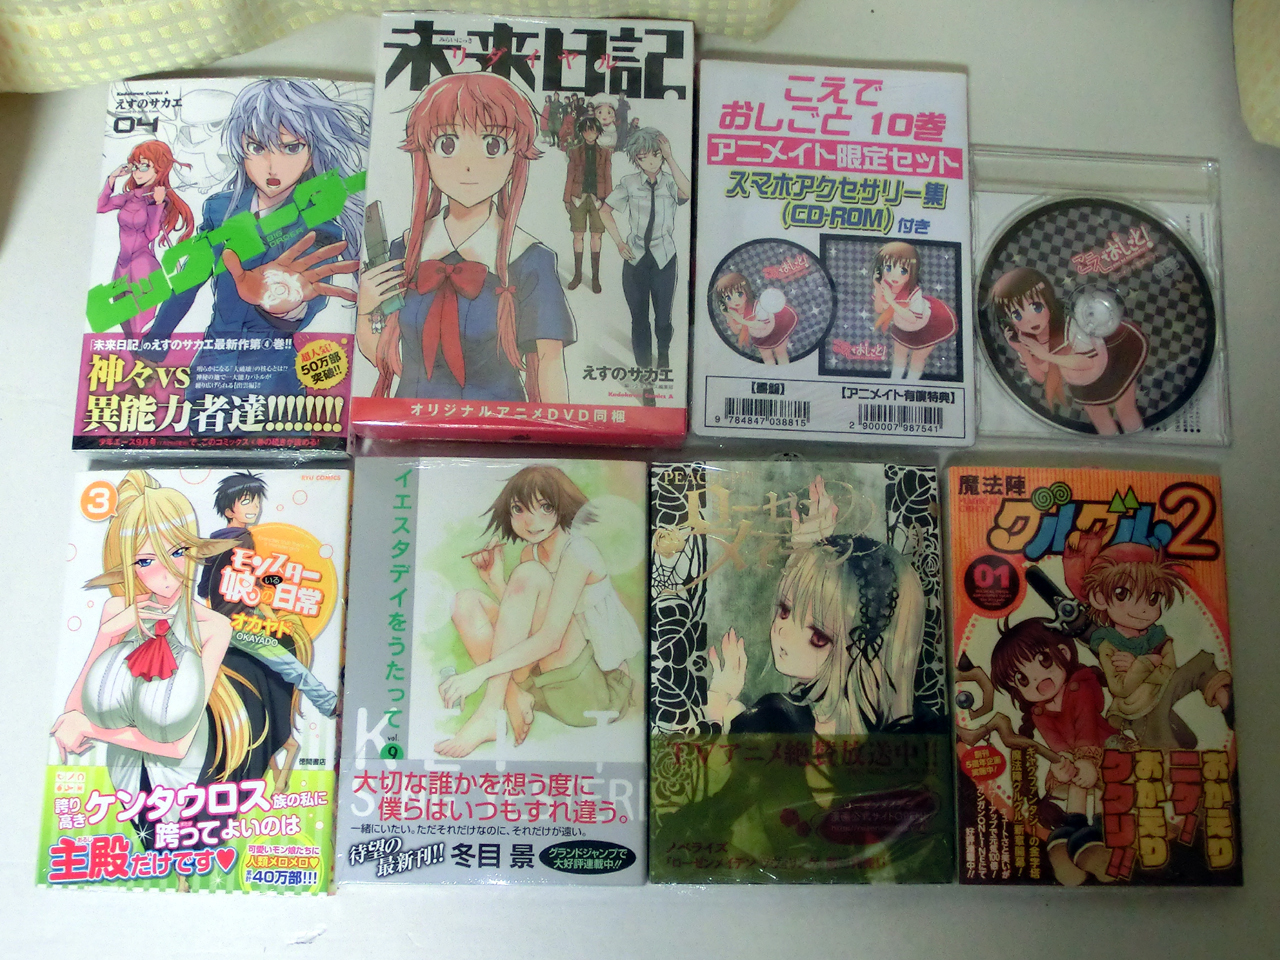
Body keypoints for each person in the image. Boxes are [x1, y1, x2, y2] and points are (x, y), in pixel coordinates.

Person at [138, 79, 369, 429]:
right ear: (241, 148)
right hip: (213, 364)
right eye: (257, 147)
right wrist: (157, 339)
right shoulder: (220, 210)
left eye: (291, 148)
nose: (272, 166)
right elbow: (190, 279)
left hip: (273, 372)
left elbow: (313, 291)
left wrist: (285, 305)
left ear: (311, 155)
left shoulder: (320, 223)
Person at [49, 471, 253, 849]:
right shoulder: (118, 611)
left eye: (177, 552)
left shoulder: (212, 627)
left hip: (185, 776)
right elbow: (76, 704)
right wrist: (111, 631)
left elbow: (177, 743)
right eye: (145, 561)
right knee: (148, 852)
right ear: (129, 565)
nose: (165, 573)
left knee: (186, 855)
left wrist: (87, 728)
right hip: (126, 771)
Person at [357, 72, 576, 405]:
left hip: (498, 422)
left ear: (515, 156)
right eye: (448, 145)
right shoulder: (406, 249)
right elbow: (388, 357)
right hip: (414, 420)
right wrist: (365, 311)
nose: (469, 165)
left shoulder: (529, 259)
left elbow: (548, 365)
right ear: (425, 153)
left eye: (492, 145)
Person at [435, 466, 640, 758]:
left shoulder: (578, 551)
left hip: (593, 691)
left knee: (530, 574)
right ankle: (513, 697)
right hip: (543, 685)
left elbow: (551, 638)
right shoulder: (530, 554)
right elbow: (524, 622)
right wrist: (495, 582)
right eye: (518, 509)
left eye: (545, 507)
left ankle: (489, 713)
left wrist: (478, 675)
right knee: (465, 601)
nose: (530, 521)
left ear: (562, 506)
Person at [1064, 530, 1232, 749]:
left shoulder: (1157, 636)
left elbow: (1169, 670)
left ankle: (1227, 703)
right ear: (1100, 598)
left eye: (1153, 597)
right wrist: (1146, 663)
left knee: (1203, 663)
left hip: (1162, 692)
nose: (1142, 608)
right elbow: (1120, 688)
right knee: (1175, 747)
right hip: (1135, 708)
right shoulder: (1107, 643)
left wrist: (1138, 667)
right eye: (1123, 594)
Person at [989, 617, 1123, 885]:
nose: (1037, 680)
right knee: (1075, 780)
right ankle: (1070, 833)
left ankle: (1100, 830)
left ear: (1063, 652)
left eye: (1043, 660)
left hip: (1107, 749)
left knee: (1102, 785)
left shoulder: (1079, 686)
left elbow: (1087, 727)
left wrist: (1087, 761)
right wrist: (1064, 763)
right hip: (1077, 759)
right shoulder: (1039, 712)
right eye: (1022, 679)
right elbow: (1057, 745)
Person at [990, 266, 1148, 434]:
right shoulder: (1027, 341)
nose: (1029, 320)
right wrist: (1023, 351)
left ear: (1048, 301)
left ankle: (1140, 443)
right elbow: (1039, 376)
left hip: (1111, 366)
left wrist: (1046, 355)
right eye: (1017, 315)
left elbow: (1086, 362)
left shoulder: (1069, 326)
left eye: (1036, 307)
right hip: (1083, 384)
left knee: (1125, 410)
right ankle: (1113, 451)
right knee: (1101, 422)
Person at [599, 127, 691, 372]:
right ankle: (644, 371)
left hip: (664, 257)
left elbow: (688, 192)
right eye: (643, 157)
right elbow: (605, 211)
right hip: (635, 259)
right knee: (639, 320)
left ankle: (663, 353)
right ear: (636, 159)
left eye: (656, 155)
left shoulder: (670, 182)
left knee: (663, 318)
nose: (651, 161)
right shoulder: (629, 183)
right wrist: (619, 243)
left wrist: (670, 157)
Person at [97, 140, 194, 338]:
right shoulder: (130, 196)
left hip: (143, 268)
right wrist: (112, 177)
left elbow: (151, 234)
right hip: (122, 266)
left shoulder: (160, 199)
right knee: (126, 328)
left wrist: (157, 204)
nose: (138, 173)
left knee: (138, 329)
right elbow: (100, 206)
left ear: (160, 168)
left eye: (144, 167)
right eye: (135, 166)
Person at [871, 241, 957, 380]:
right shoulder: (883, 287)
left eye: (903, 271)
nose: (895, 276)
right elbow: (879, 308)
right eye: (888, 268)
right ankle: (895, 385)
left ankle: (911, 386)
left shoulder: (914, 292)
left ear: (913, 271)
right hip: (902, 327)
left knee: (917, 358)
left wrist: (891, 301)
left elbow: (912, 318)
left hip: (926, 327)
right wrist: (878, 288)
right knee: (899, 356)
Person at [563, 117, 612, 293]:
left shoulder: (605, 152)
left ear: (598, 132)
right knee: (578, 235)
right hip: (578, 197)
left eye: (593, 130)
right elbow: (570, 174)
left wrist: (609, 200)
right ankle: (577, 275)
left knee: (596, 236)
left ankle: (595, 278)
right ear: (582, 132)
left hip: (599, 198)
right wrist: (566, 198)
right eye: (586, 131)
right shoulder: (574, 151)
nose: (589, 134)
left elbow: (607, 176)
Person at [714, 272, 796, 364]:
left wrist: (742, 321)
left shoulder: (756, 307)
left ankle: (786, 370)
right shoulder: (733, 313)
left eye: (739, 294)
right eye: (728, 298)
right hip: (759, 336)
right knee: (767, 357)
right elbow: (736, 331)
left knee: (780, 352)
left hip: (775, 328)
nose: (735, 300)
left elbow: (762, 325)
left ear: (746, 291)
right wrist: (728, 316)